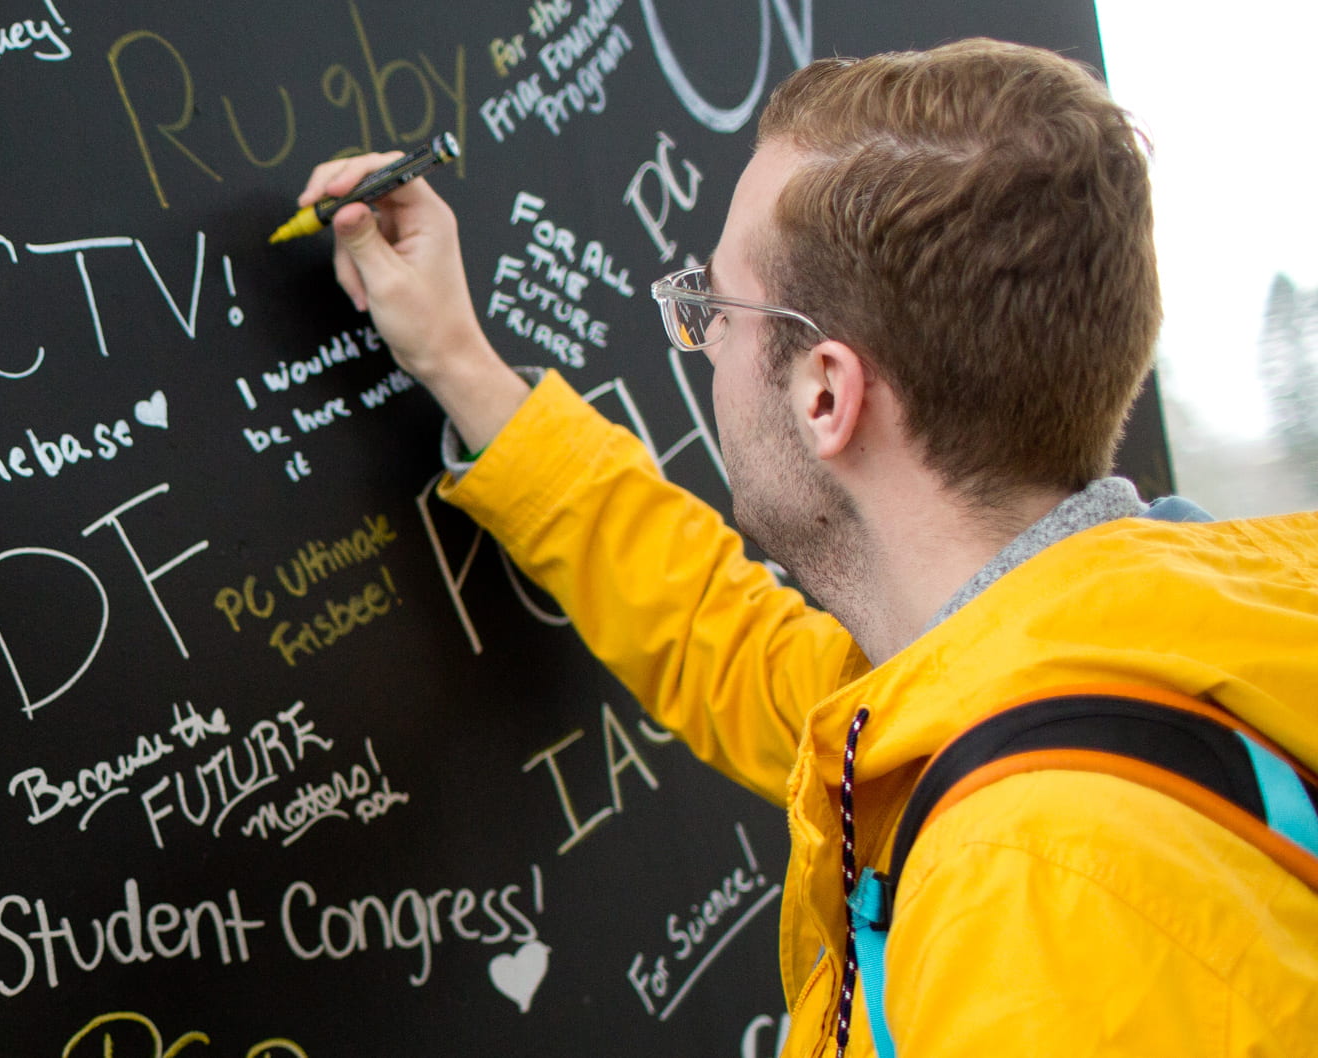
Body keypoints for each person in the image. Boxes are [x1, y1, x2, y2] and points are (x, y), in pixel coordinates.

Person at [301, 38, 1318, 1057]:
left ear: (825, 393)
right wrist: (455, 357)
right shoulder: (1102, 658)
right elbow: (721, 634)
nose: (701, 341)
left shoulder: (1037, 899)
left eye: (713, 308)